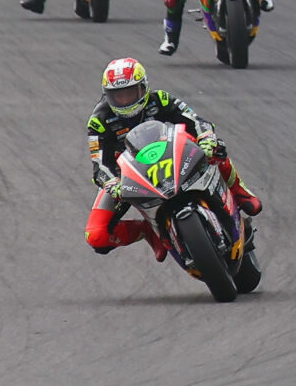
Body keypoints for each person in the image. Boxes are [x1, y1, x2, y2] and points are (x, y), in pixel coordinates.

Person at [83, 58, 261, 260]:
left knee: (215, 149)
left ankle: (240, 191)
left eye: (130, 93)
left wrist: (206, 138)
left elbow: (196, 121)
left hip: (170, 155)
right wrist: (113, 183)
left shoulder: (161, 99)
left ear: (144, 87)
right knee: (96, 235)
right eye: (118, 96)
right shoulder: (99, 120)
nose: (125, 100)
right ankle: (148, 230)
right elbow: (99, 165)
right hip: (127, 176)